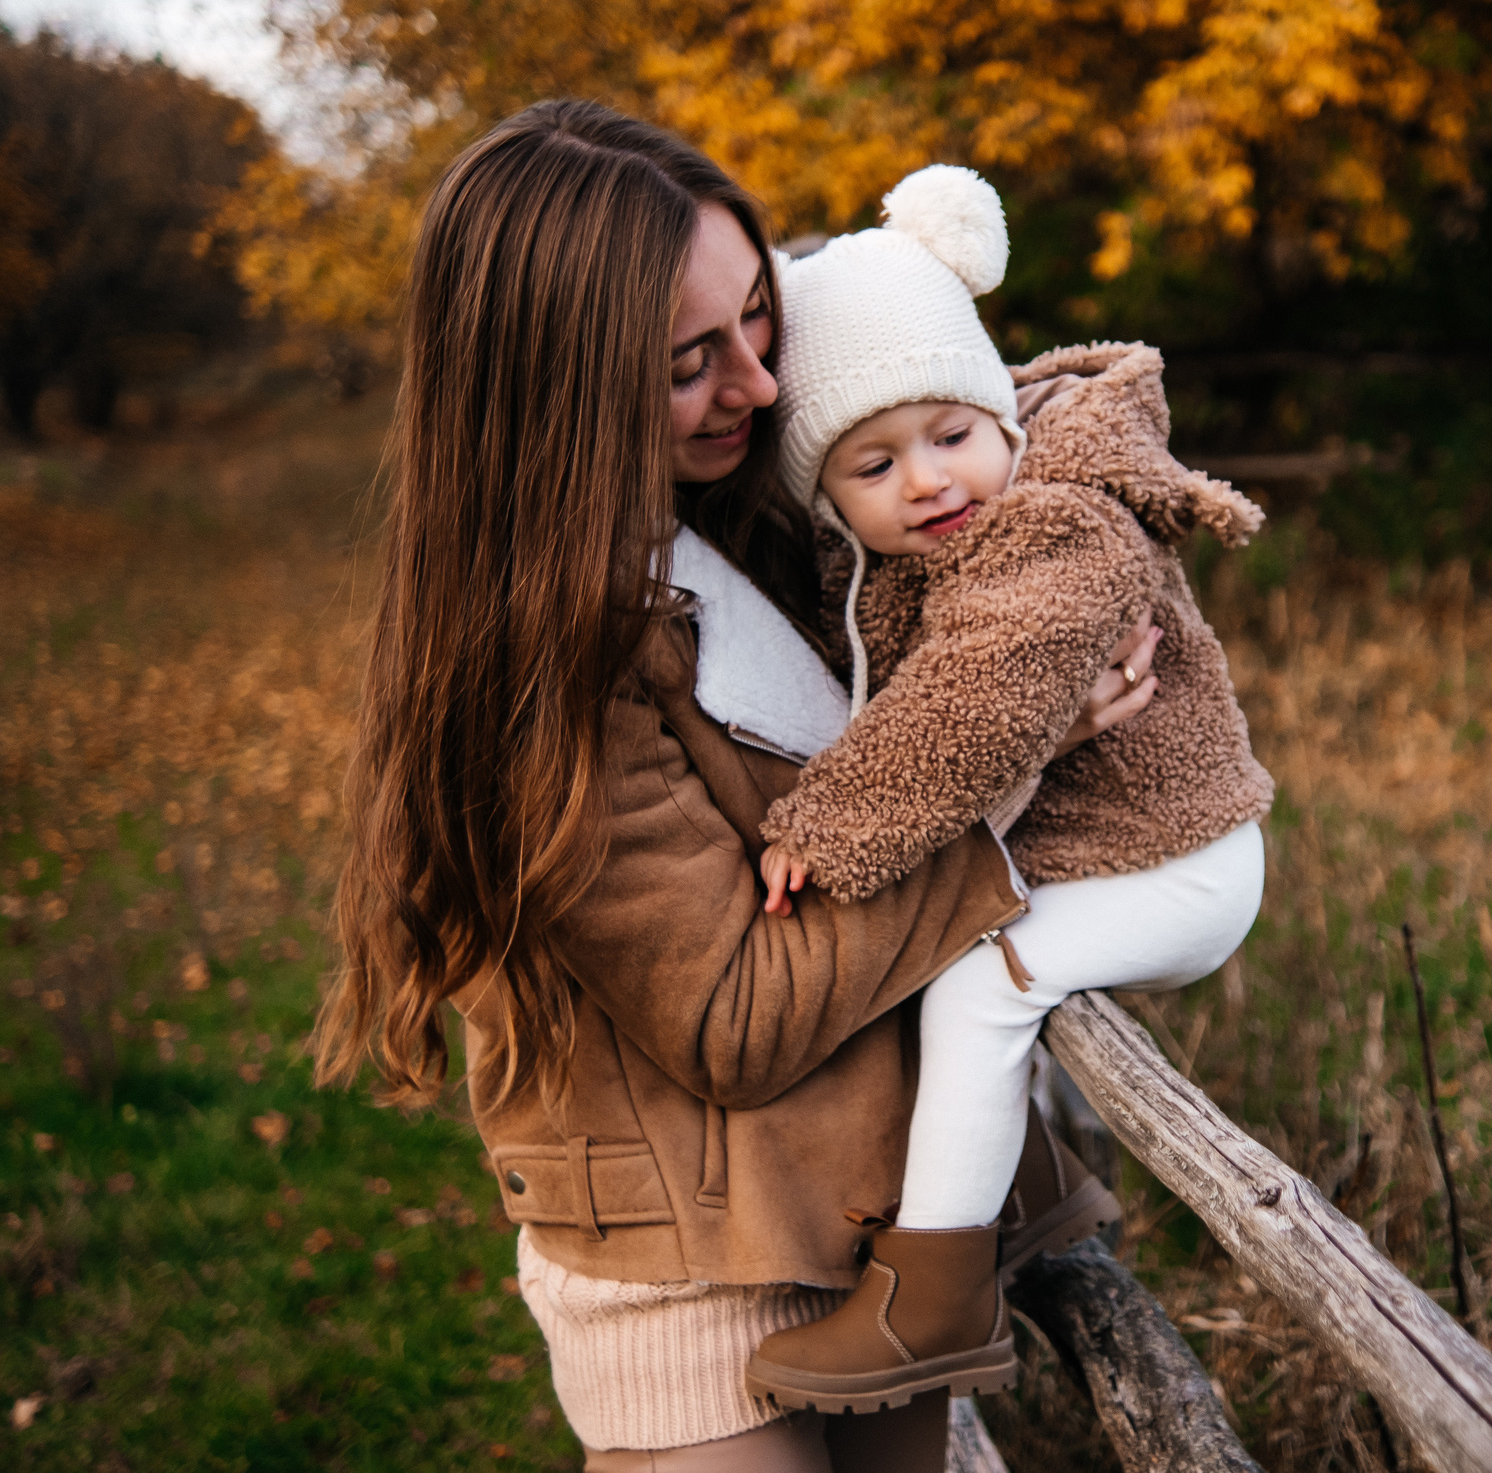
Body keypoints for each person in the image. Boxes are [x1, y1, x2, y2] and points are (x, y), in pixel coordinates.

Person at [313, 103, 1155, 1471]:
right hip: (692, 1279)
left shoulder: (743, 519)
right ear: (554, 391)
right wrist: (1007, 772)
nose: (760, 386)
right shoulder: (541, 667)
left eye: (759, 319)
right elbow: (729, 1015)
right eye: (691, 360)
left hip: (853, 1225)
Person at [740, 166, 1273, 1413]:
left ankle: (935, 1299)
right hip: (1106, 857)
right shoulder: (914, 556)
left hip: (1179, 864)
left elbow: (974, 700)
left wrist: (828, 823)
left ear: (1003, 420)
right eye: (873, 465)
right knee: (938, 961)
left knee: (980, 978)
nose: (927, 481)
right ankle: (978, 1215)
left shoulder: (1053, 530)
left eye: (950, 435)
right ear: (828, 495)